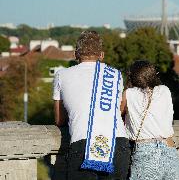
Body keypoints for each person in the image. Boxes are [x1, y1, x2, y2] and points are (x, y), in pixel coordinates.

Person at [53, 30, 130, 180]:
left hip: (82, 143)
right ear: (101, 55)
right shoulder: (116, 75)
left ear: (76, 54)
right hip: (117, 142)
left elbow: (59, 120)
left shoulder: (61, 75)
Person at [121, 60, 179, 180]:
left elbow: (118, 115)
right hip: (169, 148)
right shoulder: (164, 90)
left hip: (145, 150)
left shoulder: (129, 94)